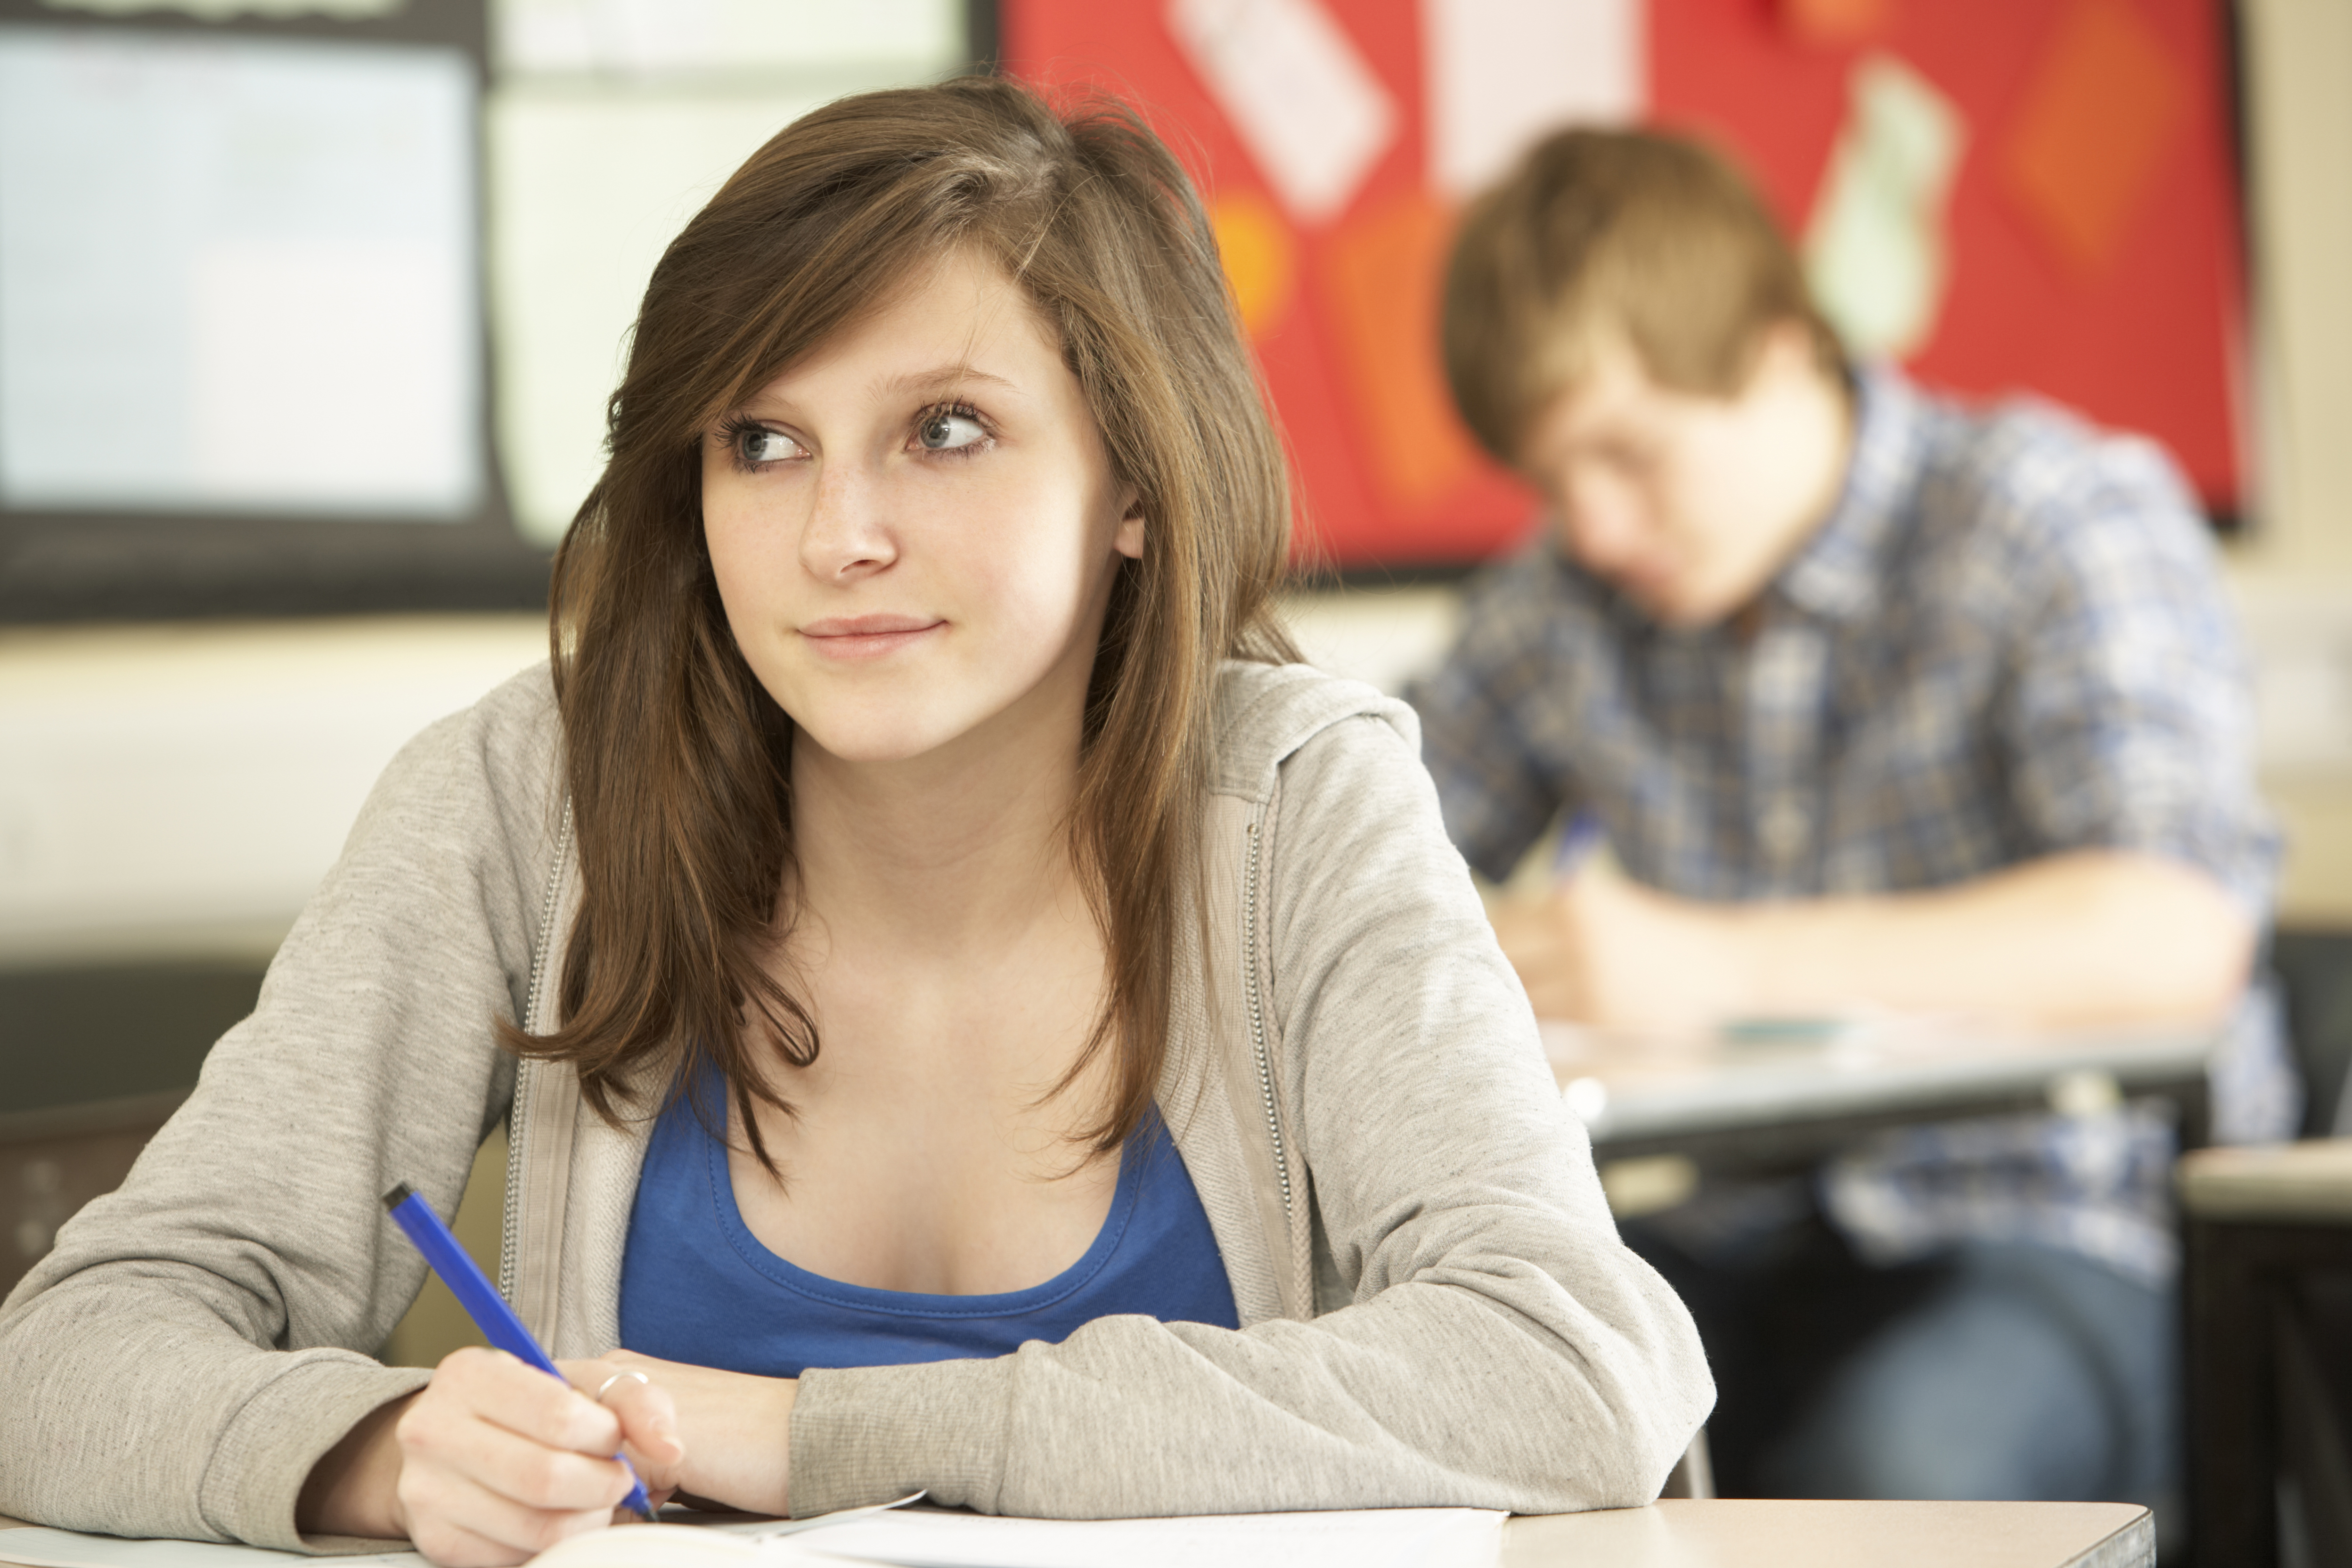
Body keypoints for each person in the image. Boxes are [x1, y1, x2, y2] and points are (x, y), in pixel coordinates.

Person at [0, 81, 1709, 1566]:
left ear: (1130, 479)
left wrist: (812, 1435)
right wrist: (376, 1458)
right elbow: (64, 1357)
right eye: (763, 441)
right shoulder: (529, 796)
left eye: (944, 431)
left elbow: (1571, 1363)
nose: (839, 535)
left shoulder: (1292, 801)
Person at [1416, 128, 2295, 1511]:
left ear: (1778, 352)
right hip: (1725, 1237)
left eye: (1627, 455)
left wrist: (1714, 970)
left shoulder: (2050, 519)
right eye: (1549, 479)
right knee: (1491, 1458)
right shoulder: (1568, 605)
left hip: (2056, 1239)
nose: (1587, 526)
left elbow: (2174, 929)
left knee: (1887, 1481)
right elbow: (1347, 862)